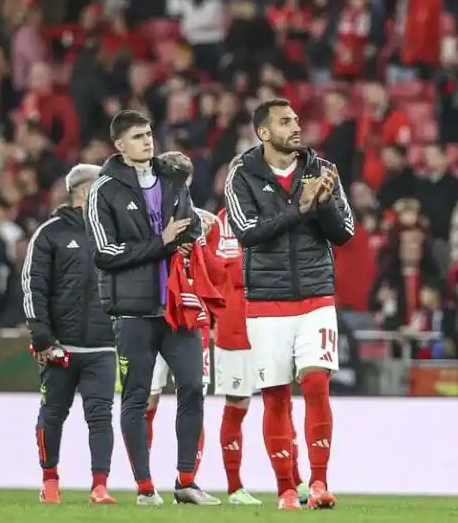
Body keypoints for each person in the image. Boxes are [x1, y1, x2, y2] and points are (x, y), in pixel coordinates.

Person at [224, 98, 355, 510]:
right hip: (266, 303)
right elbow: (247, 233)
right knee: (276, 395)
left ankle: (318, 482)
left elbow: (345, 232)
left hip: (316, 297)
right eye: (285, 122)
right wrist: (299, 209)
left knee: (317, 384)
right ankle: (286, 489)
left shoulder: (322, 170)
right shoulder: (241, 177)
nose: (296, 126)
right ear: (264, 133)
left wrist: (326, 201)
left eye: (297, 119)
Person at [84, 110, 217, 505]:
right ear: (119, 145)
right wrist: (160, 242)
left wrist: (188, 236)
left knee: (194, 386)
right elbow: (104, 253)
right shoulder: (103, 190)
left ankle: (186, 482)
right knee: (137, 398)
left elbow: (189, 224)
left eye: (149, 134)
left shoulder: (172, 179)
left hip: (177, 307)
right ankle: (144, 488)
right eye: (138, 136)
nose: (148, 141)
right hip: (133, 311)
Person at [209, 156, 306, 505]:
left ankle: (295, 482)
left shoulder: (272, 224)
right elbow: (212, 279)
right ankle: (235, 487)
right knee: (238, 404)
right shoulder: (217, 228)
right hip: (233, 332)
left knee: (281, 403)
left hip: (270, 325)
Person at [23, 164, 117, 505]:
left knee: (101, 415)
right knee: (52, 414)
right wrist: (42, 339)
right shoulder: (50, 233)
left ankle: (100, 486)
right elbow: (34, 288)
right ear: (84, 192)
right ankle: (50, 481)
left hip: (104, 345)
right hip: (59, 346)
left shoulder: (115, 232)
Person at [143, 151, 219, 491]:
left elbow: (216, 275)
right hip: (153, 315)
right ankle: (145, 483)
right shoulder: (144, 217)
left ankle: (186, 479)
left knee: (190, 397)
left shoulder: (207, 224)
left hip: (187, 318)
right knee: (150, 399)